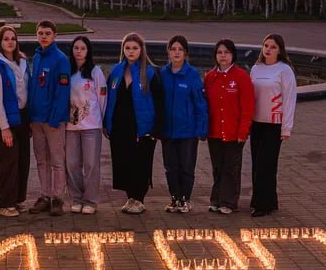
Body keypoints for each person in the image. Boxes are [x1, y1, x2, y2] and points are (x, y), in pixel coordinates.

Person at [103, 32, 158, 214]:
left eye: (135, 48)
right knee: (123, 162)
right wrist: (106, 123)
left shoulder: (149, 73)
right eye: (127, 48)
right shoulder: (116, 71)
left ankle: (139, 199)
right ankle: (130, 197)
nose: (131, 51)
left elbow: (159, 101)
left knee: (140, 163)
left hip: (141, 127)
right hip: (120, 126)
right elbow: (109, 99)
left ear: (141, 50)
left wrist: (156, 128)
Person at [154, 35, 208, 213]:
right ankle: (174, 198)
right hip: (168, 131)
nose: (176, 53)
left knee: (186, 167)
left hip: (188, 132)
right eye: (173, 49)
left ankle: (185, 198)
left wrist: (201, 128)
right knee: (171, 167)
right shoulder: (162, 74)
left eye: (180, 50)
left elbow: (200, 104)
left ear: (186, 53)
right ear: (168, 52)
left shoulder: (192, 75)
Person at [203, 39, 254, 215]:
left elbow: (248, 107)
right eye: (219, 52)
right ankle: (216, 200)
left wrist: (243, 131)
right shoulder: (210, 77)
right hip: (214, 132)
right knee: (217, 167)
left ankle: (229, 202)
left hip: (234, 132)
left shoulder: (241, 77)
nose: (223, 56)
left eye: (226, 52)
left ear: (233, 55)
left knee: (231, 168)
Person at [249, 33, 298, 217]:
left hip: (274, 124)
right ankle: (269, 200)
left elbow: (289, 99)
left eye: (273, 47)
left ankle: (263, 205)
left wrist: (286, 128)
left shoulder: (284, 70)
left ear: (280, 50)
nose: (268, 50)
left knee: (266, 165)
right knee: (256, 164)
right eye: (266, 46)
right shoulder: (256, 69)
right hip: (256, 124)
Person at [27, 19, 72, 216]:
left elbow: (63, 92)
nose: (43, 37)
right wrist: (30, 116)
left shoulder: (60, 59)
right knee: (41, 160)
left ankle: (57, 198)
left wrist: (55, 118)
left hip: (53, 121)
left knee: (56, 161)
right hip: (37, 120)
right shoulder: (37, 57)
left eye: (47, 33)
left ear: (54, 36)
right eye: (40, 33)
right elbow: (34, 87)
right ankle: (45, 195)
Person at [0, 25, 30, 217]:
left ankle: (18, 199)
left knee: (22, 161)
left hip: (23, 118)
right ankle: (4, 203)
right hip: (6, 122)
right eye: (6, 39)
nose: (10, 42)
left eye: (13, 38)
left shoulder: (23, 62)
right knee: (9, 162)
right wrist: (4, 128)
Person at [65, 35, 105, 214]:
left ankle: (90, 201)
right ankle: (76, 198)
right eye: (76, 48)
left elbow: (102, 98)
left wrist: (100, 120)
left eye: (82, 48)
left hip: (91, 126)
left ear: (88, 51)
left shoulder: (95, 72)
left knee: (91, 165)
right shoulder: (67, 71)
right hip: (70, 127)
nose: (79, 51)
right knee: (72, 164)